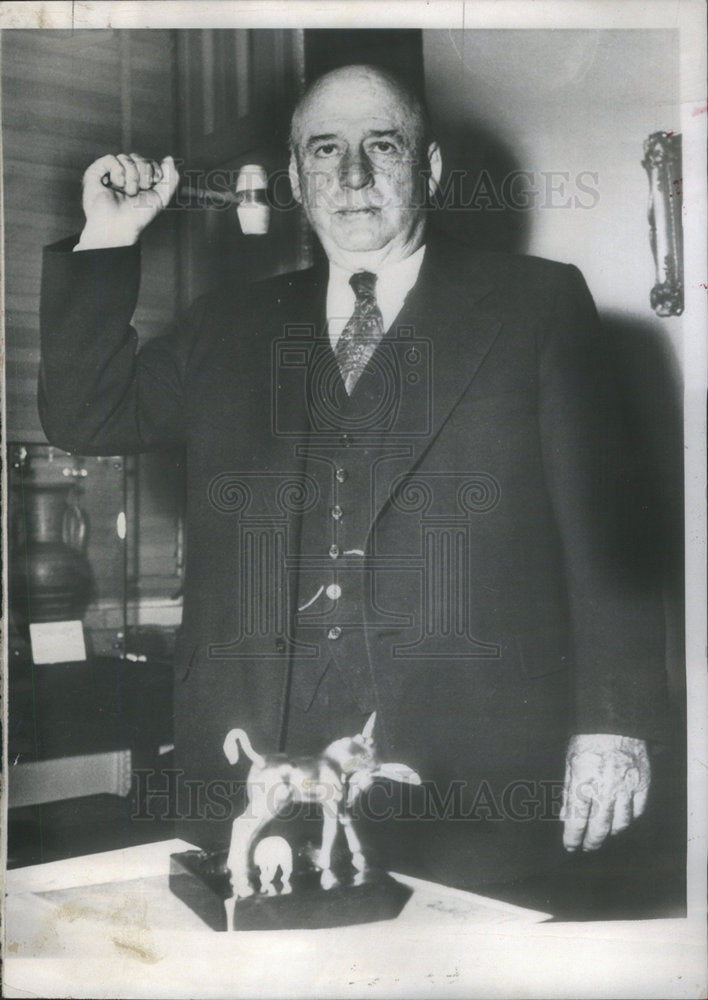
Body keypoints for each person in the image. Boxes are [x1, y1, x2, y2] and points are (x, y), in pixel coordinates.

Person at [39, 64, 668, 891]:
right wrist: (110, 236)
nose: (354, 175)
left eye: (383, 145)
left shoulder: (537, 305)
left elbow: (608, 539)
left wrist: (613, 725)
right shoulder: (228, 327)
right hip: (258, 774)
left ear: (431, 170)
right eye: (326, 151)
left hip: (467, 774)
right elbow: (86, 415)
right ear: (298, 179)